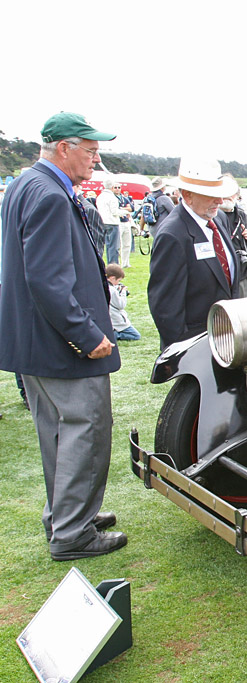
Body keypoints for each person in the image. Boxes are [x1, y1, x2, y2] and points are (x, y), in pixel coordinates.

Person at [0, 111, 125, 560]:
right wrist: (86, 335)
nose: (95, 158)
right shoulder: (49, 194)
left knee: (56, 431)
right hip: (61, 342)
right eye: (90, 150)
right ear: (63, 148)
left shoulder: (24, 185)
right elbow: (49, 281)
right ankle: (73, 533)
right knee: (84, 430)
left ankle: (67, 515)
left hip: (35, 342)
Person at [148, 159, 241, 349]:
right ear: (188, 196)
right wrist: (185, 351)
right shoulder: (173, 235)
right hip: (196, 344)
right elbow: (165, 307)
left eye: (221, 194)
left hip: (227, 338)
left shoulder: (219, 219)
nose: (220, 201)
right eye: (211, 195)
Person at [219, 179, 247, 296]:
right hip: (222, 274)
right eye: (224, 192)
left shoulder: (241, 215)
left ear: (237, 195)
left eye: (231, 193)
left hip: (242, 272)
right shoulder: (213, 216)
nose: (227, 196)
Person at [105, 263, 140, 341]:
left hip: (111, 320)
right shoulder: (112, 291)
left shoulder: (105, 287)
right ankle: (114, 335)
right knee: (136, 335)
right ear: (112, 278)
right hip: (117, 321)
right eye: (119, 280)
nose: (118, 283)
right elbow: (121, 305)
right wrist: (123, 292)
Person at [96, 178, 125, 264]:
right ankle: (113, 264)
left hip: (102, 221)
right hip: (112, 223)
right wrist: (125, 212)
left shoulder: (100, 197)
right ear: (112, 187)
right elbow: (114, 211)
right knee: (113, 246)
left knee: (103, 245)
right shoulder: (112, 198)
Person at [117, 185, 135, 266]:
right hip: (118, 222)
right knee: (119, 244)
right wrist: (125, 209)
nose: (117, 189)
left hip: (126, 222)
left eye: (119, 187)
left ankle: (125, 262)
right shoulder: (113, 199)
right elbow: (115, 209)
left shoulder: (124, 198)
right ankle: (117, 262)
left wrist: (122, 209)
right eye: (115, 187)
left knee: (127, 244)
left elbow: (131, 208)